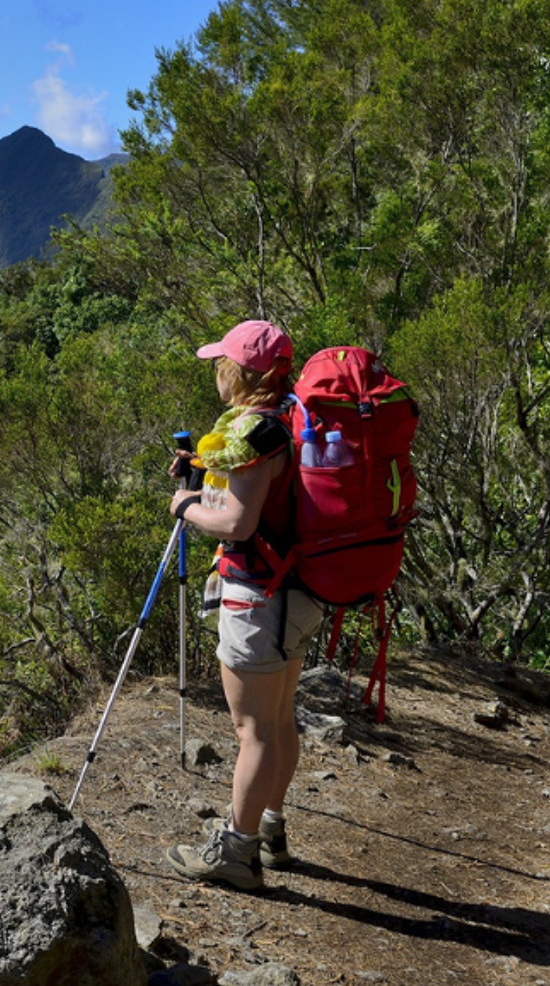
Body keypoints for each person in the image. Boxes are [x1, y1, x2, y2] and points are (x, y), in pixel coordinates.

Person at [164, 319, 326, 891]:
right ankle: (271, 830)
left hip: (260, 594)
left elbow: (237, 521)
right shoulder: (289, 415)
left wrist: (184, 505)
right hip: (298, 592)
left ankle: (237, 851)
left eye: (221, 362)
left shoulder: (255, 432)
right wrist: (202, 476)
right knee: (278, 719)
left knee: (253, 728)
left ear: (240, 372)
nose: (216, 370)